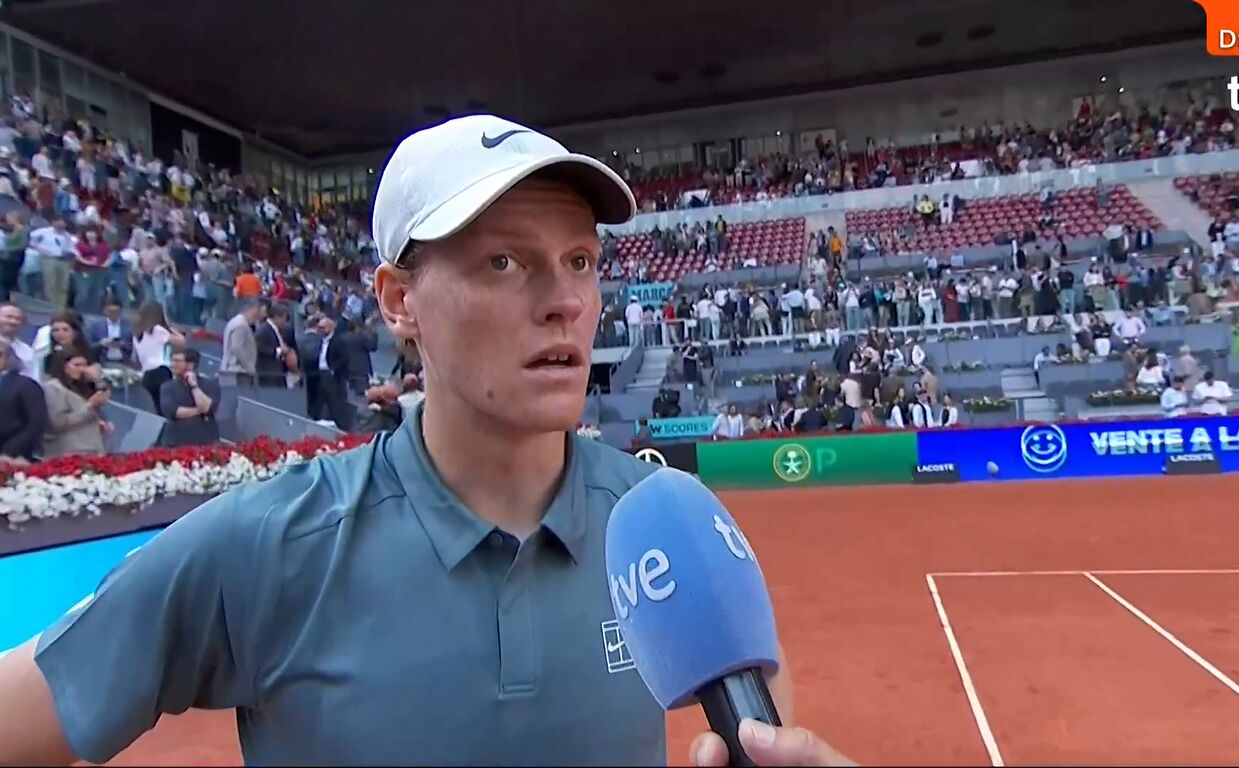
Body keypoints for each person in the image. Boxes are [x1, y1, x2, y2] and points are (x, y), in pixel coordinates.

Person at [0, 114, 851, 767]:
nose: (565, 301)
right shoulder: (271, 542)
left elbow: (759, 710)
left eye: (581, 261)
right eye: (505, 263)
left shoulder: (661, 523)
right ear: (399, 300)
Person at [41, 347, 111, 457]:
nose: (82, 369)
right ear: (63, 367)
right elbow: (57, 423)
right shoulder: (53, 388)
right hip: (68, 453)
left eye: (85, 365)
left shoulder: (82, 387)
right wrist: (90, 405)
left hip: (90, 450)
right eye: (77, 365)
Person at [131, 300, 185, 416]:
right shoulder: (157, 330)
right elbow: (181, 342)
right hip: (160, 373)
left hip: (147, 375)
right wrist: (172, 329)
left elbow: (136, 359)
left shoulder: (137, 334)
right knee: (168, 408)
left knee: (158, 408)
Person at [159, 348, 220, 447]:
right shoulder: (167, 387)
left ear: (190, 365)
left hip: (205, 441)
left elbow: (208, 407)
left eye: (177, 361)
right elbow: (173, 411)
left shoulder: (210, 385)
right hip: (175, 442)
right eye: (172, 361)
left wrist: (194, 386)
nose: (172, 365)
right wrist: (199, 410)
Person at [0, 338, 46, 463]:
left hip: (14, 457)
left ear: (9, 358)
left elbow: (36, 423)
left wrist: (9, 451)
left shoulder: (26, 386)